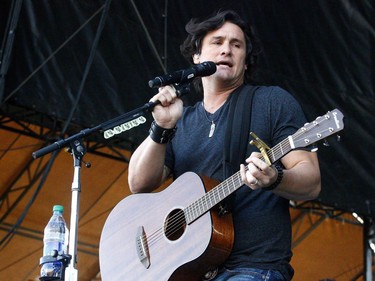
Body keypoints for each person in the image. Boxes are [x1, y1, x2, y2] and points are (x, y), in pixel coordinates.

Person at [128, 10, 321, 281]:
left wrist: (274, 178)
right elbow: (138, 183)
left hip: (253, 267)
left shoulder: (272, 102)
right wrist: (161, 127)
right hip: (190, 271)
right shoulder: (182, 120)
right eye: (217, 42)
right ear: (197, 56)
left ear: (245, 62)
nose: (226, 50)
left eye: (236, 45)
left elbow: (311, 182)